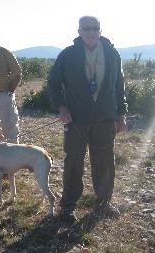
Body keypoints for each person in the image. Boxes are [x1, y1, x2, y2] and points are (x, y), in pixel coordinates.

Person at [47, 15, 127, 222]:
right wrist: (61, 107)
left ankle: (103, 203)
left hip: (105, 117)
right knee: (74, 162)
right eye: (86, 28)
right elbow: (53, 82)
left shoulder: (112, 53)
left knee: (104, 162)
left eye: (95, 28)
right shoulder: (68, 55)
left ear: (101, 30)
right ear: (79, 32)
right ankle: (68, 206)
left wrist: (122, 114)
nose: (91, 32)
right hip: (76, 118)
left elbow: (119, 85)